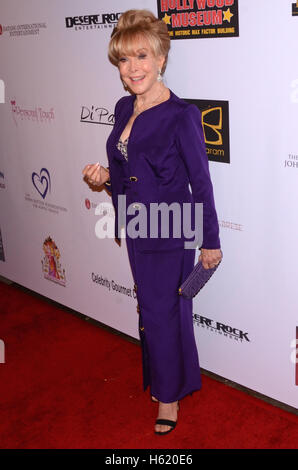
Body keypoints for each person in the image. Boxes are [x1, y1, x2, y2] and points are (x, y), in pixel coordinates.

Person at [82, 9, 222, 436]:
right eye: (125, 60)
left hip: (169, 230)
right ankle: (171, 381)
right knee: (154, 311)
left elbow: (202, 182)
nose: (133, 68)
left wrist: (210, 243)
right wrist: (106, 179)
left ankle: (168, 396)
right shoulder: (125, 106)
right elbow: (128, 169)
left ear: (161, 58)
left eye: (142, 56)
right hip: (137, 229)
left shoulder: (182, 115)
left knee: (161, 314)